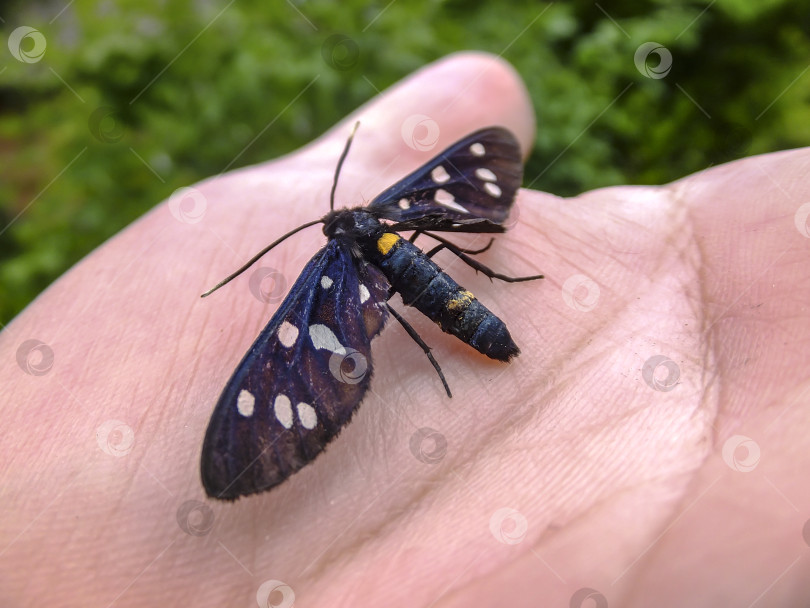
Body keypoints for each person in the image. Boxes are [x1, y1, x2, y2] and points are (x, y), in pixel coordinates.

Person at [2, 52, 808, 607]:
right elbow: (472, 197)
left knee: (398, 300)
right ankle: (466, 306)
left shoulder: (334, 275)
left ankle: (458, 313)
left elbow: (480, 174)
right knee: (419, 273)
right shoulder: (398, 211)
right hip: (465, 307)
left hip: (461, 315)